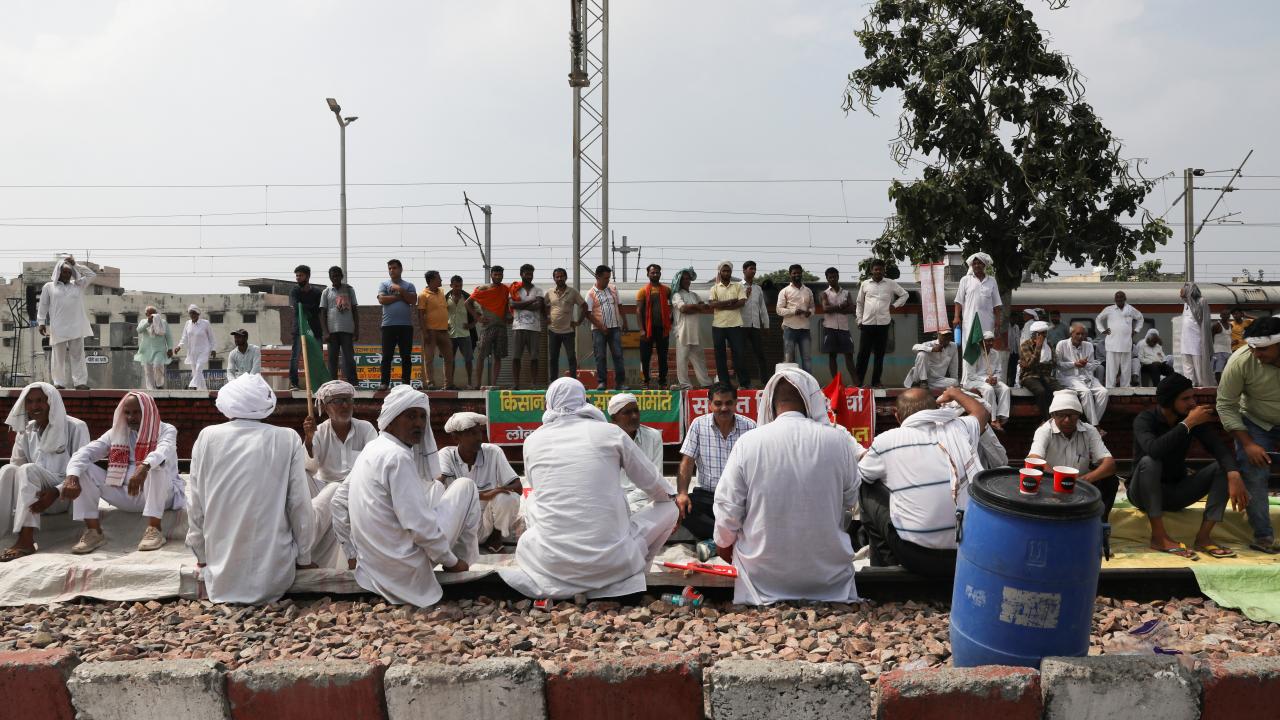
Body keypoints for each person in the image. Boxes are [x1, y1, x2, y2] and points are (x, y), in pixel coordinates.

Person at [498, 378, 678, 599]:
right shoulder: (611, 433)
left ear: (549, 403)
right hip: (614, 562)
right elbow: (658, 488)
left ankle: (566, 576)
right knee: (670, 507)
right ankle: (637, 572)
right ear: (583, 400)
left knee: (534, 498)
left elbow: (537, 487)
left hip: (552, 564)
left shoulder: (532, 441)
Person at [713, 367, 860, 605]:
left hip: (761, 578)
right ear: (811, 401)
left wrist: (723, 545)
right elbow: (850, 500)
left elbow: (728, 508)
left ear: (771, 404)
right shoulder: (839, 441)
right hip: (828, 578)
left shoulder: (748, 442)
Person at [334, 386, 480, 607]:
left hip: (372, 567)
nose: (419, 423)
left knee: (436, 488)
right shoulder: (397, 456)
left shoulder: (372, 448)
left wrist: (353, 555)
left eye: (422, 417)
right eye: (411, 416)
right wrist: (451, 561)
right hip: (405, 570)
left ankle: (454, 563)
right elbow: (418, 525)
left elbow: (337, 502)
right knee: (465, 486)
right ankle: (460, 567)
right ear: (391, 420)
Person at [186, 373, 318, 603]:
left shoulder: (207, 437)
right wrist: (304, 559)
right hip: (274, 577)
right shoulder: (287, 438)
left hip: (220, 577)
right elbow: (298, 505)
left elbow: (195, 503)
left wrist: (202, 556)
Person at [858, 386, 989, 579]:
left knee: (866, 488)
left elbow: (862, 475)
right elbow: (982, 412)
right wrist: (955, 393)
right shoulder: (959, 428)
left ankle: (887, 568)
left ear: (897, 415)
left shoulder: (886, 441)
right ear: (935, 409)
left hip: (917, 557)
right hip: (965, 551)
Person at [1132, 373, 1248, 559]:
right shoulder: (1145, 419)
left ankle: (1204, 537)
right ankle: (1159, 537)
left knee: (1223, 467)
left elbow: (1219, 449)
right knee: (1150, 461)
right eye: (1185, 399)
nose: (1192, 403)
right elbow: (1153, 450)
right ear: (1169, 401)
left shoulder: (1190, 419)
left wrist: (1234, 474)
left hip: (1176, 492)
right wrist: (1188, 423)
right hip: (1142, 495)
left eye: (1193, 397)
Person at [61, 392, 184, 554]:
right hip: (126, 492)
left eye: (136, 412)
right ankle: (94, 532)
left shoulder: (166, 430)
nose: (131, 417)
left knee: (156, 467)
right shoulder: (118, 431)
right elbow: (86, 452)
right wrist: (71, 477)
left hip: (161, 495)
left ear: (147, 410)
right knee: (84, 469)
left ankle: (154, 529)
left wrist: (143, 467)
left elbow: (163, 451)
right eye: (127, 412)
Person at [0, 384, 91, 562]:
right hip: (33, 496)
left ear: (52, 402)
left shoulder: (76, 427)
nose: (35, 406)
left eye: (40, 401)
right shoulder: (26, 431)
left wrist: (56, 491)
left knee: (28, 469)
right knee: (7, 470)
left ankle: (26, 540)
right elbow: (16, 467)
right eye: (30, 402)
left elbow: (84, 470)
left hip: (63, 497)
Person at [1216, 316, 1280, 554]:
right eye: (1252, 348)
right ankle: (1263, 536)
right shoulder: (1240, 360)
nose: (1256, 354)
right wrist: (1248, 444)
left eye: (1262, 349)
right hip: (1255, 421)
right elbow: (1225, 405)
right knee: (1253, 472)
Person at [676, 381, 756, 540]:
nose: (724, 408)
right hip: (707, 496)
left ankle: (718, 539)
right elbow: (687, 462)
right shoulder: (698, 425)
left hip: (738, 497)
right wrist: (682, 493)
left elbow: (757, 465)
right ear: (710, 404)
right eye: (718, 403)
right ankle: (731, 537)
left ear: (736, 403)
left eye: (728, 403)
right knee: (682, 509)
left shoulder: (750, 427)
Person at [439, 412, 521, 554]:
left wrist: (497, 491)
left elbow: (518, 487)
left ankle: (495, 538)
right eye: (472, 433)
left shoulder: (493, 452)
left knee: (508, 498)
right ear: (456, 437)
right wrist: (485, 495)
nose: (478, 437)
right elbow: (437, 487)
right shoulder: (446, 455)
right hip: (458, 526)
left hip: (486, 524)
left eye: (479, 432)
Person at [1027, 391, 1119, 517]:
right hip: (1051, 485)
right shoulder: (1044, 431)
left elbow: (1110, 464)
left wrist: (1083, 481)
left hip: (1082, 484)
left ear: (1078, 415)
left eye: (1072, 415)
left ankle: (1099, 520)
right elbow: (1034, 459)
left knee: (1110, 480)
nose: (1067, 420)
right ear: (1053, 415)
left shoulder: (1089, 430)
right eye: (1061, 415)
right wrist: (1061, 482)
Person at [303, 380, 377, 489]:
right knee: (304, 476)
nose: (345, 405)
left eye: (348, 400)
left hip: (357, 488)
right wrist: (309, 439)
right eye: (337, 401)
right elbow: (310, 469)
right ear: (325, 407)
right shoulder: (318, 432)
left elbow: (376, 462)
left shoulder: (366, 429)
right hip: (326, 488)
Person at [36, 255, 96, 390]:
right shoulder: (49, 287)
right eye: (65, 272)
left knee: (78, 356)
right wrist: (41, 322)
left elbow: (92, 275)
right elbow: (43, 305)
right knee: (58, 357)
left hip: (76, 326)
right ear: (58, 272)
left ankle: (80, 382)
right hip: (58, 327)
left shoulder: (78, 285)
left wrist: (76, 265)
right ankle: (58, 382)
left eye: (69, 272)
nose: (67, 275)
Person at [608, 393, 666, 515]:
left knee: (671, 509)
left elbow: (655, 479)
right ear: (614, 418)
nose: (634, 416)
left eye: (636, 411)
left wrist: (627, 502)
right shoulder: (605, 439)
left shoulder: (653, 436)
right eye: (627, 413)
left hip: (644, 499)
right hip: (613, 501)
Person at [855, 259, 907, 387]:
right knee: (863, 354)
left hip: (883, 324)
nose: (878, 271)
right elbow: (859, 303)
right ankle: (858, 382)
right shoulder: (865, 284)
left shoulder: (890, 283)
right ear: (871, 270)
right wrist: (859, 320)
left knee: (879, 354)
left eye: (881, 269)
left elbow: (904, 295)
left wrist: (894, 305)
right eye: (876, 269)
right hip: (867, 324)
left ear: (884, 271)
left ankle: (876, 381)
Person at [952, 252, 1004, 361]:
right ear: (971, 265)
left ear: (984, 265)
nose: (977, 265)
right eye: (974, 263)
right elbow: (958, 301)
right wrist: (956, 317)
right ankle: (969, 373)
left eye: (979, 263)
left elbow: (997, 304)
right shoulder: (965, 280)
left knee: (986, 349)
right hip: (969, 322)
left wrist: (998, 322)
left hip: (987, 323)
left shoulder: (992, 281)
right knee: (970, 351)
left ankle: (986, 371)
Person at [1055, 323, 1109, 427]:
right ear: (1071, 334)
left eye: (1082, 334)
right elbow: (1058, 365)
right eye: (1077, 334)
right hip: (1068, 377)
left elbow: (1092, 366)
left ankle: (1091, 425)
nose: (1080, 336)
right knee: (1086, 392)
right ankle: (1095, 426)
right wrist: (1074, 364)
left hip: (1087, 377)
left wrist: (1085, 364)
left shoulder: (1088, 345)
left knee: (1104, 392)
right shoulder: (1062, 344)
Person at [468, 266, 512, 388]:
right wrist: (478, 318)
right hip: (487, 327)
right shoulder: (484, 289)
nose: (498, 277)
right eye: (495, 274)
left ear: (503, 275)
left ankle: (493, 384)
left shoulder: (505, 289)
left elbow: (507, 305)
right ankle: (477, 384)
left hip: (501, 327)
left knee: (498, 356)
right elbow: (468, 303)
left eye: (500, 275)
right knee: (481, 356)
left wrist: (508, 316)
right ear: (491, 275)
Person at [377, 259, 418, 390]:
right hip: (388, 325)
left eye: (394, 268)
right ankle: (384, 383)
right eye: (389, 268)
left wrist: (400, 289)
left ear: (400, 269)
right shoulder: (384, 284)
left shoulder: (409, 285)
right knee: (387, 356)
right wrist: (400, 297)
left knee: (406, 356)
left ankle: (406, 383)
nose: (391, 270)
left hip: (405, 326)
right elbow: (382, 299)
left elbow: (413, 300)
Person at [708, 260, 750, 388]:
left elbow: (742, 302)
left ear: (731, 272)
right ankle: (724, 383)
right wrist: (731, 301)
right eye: (724, 271)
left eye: (728, 271)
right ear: (720, 272)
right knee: (720, 356)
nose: (726, 273)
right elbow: (712, 305)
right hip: (718, 326)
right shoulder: (714, 288)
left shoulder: (738, 286)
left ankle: (744, 383)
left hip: (735, 325)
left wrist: (721, 305)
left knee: (739, 355)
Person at [585, 265, 626, 391]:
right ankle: (602, 382)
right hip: (598, 330)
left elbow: (619, 305)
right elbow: (587, 313)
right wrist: (600, 326)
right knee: (600, 355)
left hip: (615, 327)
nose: (608, 280)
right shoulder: (590, 294)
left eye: (609, 278)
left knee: (618, 355)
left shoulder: (613, 289)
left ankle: (620, 383)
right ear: (597, 277)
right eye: (605, 278)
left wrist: (624, 322)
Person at [671, 268, 713, 389]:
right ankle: (685, 384)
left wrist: (693, 307)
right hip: (682, 331)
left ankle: (705, 383)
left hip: (695, 332)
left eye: (688, 278)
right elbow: (683, 309)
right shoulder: (676, 295)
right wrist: (696, 307)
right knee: (682, 359)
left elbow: (704, 308)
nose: (686, 281)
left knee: (699, 359)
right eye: (684, 279)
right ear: (679, 281)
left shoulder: (695, 295)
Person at [962, 331, 1011, 429]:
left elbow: (998, 371)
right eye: (988, 341)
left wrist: (995, 378)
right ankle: (993, 419)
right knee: (989, 389)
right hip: (974, 380)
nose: (990, 343)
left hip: (991, 379)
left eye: (992, 341)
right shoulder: (974, 354)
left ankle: (1002, 416)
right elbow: (971, 375)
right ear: (981, 342)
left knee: (1006, 389)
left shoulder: (995, 354)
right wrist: (986, 380)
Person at [508, 264, 546, 391]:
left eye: (531, 274)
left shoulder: (538, 290)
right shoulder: (514, 289)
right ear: (521, 274)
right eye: (527, 273)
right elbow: (512, 304)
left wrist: (520, 304)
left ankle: (534, 383)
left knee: (534, 357)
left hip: (534, 328)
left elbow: (538, 306)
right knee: (516, 357)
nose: (529, 276)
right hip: (518, 327)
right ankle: (516, 384)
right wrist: (531, 301)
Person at [320, 266, 359, 384]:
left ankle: (353, 382)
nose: (335, 278)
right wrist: (325, 332)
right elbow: (322, 313)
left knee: (349, 358)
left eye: (337, 276)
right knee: (332, 359)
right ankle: (333, 383)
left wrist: (356, 330)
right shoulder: (326, 292)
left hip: (347, 330)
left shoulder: (349, 290)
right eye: (333, 276)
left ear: (341, 276)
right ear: (330, 277)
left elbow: (355, 311)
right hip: (332, 331)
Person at [1096, 291, 1144, 388]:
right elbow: (1098, 319)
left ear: (1125, 299)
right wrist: (1102, 330)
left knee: (1126, 369)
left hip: (1126, 344)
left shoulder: (1130, 309)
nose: (1119, 300)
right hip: (1112, 344)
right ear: (1115, 299)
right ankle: (1110, 388)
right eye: (1117, 298)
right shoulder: (1109, 309)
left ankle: (1125, 388)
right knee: (1111, 369)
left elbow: (1140, 318)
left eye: (1121, 298)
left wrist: (1136, 330)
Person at [546, 268, 586, 384]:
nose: (559, 278)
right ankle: (553, 382)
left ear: (565, 277)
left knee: (571, 357)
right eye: (557, 277)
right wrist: (547, 317)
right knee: (553, 358)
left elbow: (584, 306)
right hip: (553, 331)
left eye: (561, 276)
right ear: (554, 278)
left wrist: (578, 322)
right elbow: (543, 305)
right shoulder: (550, 292)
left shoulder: (572, 292)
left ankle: (573, 382)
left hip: (568, 331)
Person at [635, 263, 672, 389]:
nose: (655, 274)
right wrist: (641, 329)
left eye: (657, 272)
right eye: (652, 272)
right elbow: (638, 311)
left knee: (663, 357)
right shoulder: (642, 291)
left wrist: (671, 320)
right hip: (647, 329)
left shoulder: (666, 290)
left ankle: (662, 382)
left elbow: (672, 304)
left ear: (660, 274)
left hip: (662, 329)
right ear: (648, 274)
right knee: (645, 357)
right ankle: (645, 381)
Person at [289, 265, 324, 391]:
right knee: (295, 357)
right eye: (297, 276)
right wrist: (308, 306)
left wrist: (303, 306)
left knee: (318, 357)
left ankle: (319, 383)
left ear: (308, 276)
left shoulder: (317, 292)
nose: (298, 278)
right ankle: (294, 383)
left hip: (315, 330)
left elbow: (317, 309)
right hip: (299, 329)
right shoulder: (294, 291)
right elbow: (296, 306)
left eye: (301, 275)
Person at [417, 271, 454, 390]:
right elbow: (420, 315)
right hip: (430, 331)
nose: (441, 280)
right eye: (439, 278)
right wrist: (424, 332)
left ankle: (448, 384)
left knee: (449, 357)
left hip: (444, 330)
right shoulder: (423, 295)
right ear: (432, 280)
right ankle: (430, 383)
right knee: (429, 358)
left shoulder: (442, 292)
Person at [1019, 320, 1062, 421]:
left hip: (1046, 376)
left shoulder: (1049, 345)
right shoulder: (1025, 345)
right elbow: (1030, 365)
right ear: (1035, 334)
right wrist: (1038, 347)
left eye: (1045, 333)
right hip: (1030, 376)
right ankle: (1047, 419)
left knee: (1061, 391)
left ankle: (1059, 415)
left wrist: (1033, 364)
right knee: (1041, 391)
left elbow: (1054, 362)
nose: (1044, 336)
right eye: (1042, 333)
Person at [819, 267, 856, 383]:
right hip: (830, 328)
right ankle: (837, 383)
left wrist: (834, 308)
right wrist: (841, 306)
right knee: (832, 356)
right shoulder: (824, 294)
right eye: (830, 277)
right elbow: (825, 309)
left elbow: (852, 309)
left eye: (834, 277)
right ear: (827, 279)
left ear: (838, 277)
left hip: (844, 328)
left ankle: (857, 383)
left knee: (849, 355)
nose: (832, 279)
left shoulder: (846, 293)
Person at [776, 264, 815, 373]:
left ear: (802, 274)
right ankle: (790, 382)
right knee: (789, 359)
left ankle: (808, 382)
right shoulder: (784, 291)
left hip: (805, 329)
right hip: (789, 329)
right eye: (794, 273)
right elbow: (779, 310)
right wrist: (793, 311)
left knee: (807, 359)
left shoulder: (808, 291)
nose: (797, 275)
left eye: (799, 273)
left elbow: (812, 307)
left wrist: (810, 312)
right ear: (790, 275)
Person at [740, 260, 770, 385]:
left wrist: (766, 325)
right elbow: (736, 305)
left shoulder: (758, 288)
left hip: (755, 326)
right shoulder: (737, 287)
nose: (753, 271)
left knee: (760, 354)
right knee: (741, 355)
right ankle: (744, 383)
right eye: (751, 268)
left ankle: (764, 382)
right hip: (741, 326)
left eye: (754, 269)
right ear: (744, 270)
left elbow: (762, 308)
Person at [1179, 282, 1214, 387]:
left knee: (1199, 369)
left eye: (1184, 296)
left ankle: (1202, 387)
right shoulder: (1186, 304)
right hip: (1185, 341)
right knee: (1187, 367)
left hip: (1197, 341)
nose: (1182, 299)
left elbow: (1205, 323)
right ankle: (1189, 385)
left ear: (1190, 293)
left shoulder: (1201, 301)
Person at [175, 305, 216, 391]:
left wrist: (213, 349)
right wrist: (179, 346)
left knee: (198, 368)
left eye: (194, 313)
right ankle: (203, 390)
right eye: (190, 313)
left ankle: (192, 385)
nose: (192, 315)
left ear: (198, 314)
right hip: (192, 352)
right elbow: (184, 337)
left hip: (204, 350)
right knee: (196, 373)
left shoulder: (205, 323)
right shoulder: (187, 323)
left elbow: (211, 337)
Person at [446, 275, 476, 390]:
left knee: (468, 359)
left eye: (460, 286)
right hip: (450, 334)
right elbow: (441, 313)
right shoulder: (445, 298)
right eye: (456, 286)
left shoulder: (468, 297)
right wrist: (444, 324)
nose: (458, 288)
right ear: (451, 286)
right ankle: (450, 383)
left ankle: (470, 383)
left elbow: (478, 312)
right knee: (450, 360)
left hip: (465, 334)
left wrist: (472, 324)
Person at [135, 305, 172, 390]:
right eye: (150, 313)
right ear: (146, 314)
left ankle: (159, 385)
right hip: (146, 350)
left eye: (154, 313)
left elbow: (168, 336)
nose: (152, 315)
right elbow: (139, 330)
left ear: (156, 313)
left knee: (158, 365)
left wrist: (170, 348)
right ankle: (151, 389)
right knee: (148, 371)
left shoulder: (163, 322)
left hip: (160, 350)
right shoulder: (143, 321)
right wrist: (148, 322)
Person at [1211, 309, 1233, 382]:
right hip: (1218, 351)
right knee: (1218, 370)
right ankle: (1219, 385)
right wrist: (1211, 351)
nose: (1226, 316)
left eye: (1228, 314)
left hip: (1228, 351)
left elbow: (1227, 337)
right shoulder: (1216, 325)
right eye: (1224, 314)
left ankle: (1226, 383)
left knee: (1229, 369)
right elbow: (1211, 338)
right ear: (1220, 315)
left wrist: (1232, 342)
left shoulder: (1230, 325)